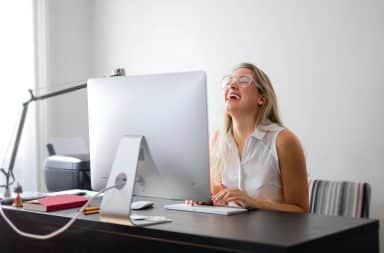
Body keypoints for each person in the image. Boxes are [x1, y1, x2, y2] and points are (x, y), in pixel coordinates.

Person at [187, 63, 309, 213]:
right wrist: (207, 202)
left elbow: (301, 210)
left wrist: (254, 203)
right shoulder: (217, 139)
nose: (232, 85)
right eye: (229, 82)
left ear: (261, 99)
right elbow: (218, 198)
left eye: (243, 80)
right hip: (228, 233)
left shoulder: (284, 141)